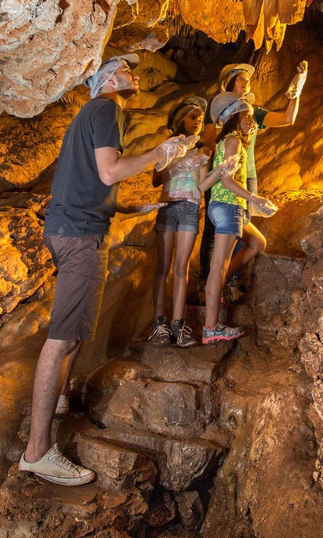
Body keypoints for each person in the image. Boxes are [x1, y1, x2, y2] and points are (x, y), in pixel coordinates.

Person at [19, 54, 196, 486]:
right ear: (109, 80)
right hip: (79, 235)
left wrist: (131, 207)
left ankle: (60, 400)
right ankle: (36, 453)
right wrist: (161, 151)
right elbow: (108, 171)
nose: (133, 74)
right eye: (125, 69)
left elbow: (87, 182)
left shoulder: (91, 115)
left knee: (77, 332)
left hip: (73, 227)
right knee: (62, 339)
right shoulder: (106, 109)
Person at [197, 61, 308, 300]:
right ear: (228, 83)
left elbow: (288, 118)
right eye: (240, 77)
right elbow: (207, 140)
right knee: (214, 229)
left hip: (247, 176)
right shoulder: (218, 110)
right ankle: (206, 281)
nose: (246, 80)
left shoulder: (252, 112)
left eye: (247, 78)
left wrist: (297, 90)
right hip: (223, 174)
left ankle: (226, 282)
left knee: (240, 227)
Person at [148, 96, 239, 348]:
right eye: (193, 117)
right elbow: (156, 180)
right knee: (162, 266)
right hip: (168, 205)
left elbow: (201, 185)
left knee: (181, 267)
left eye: (200, 118)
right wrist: (177, 163)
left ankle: (178, 324)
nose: (198, 122)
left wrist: (219, 171)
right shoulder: (169, 145)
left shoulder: (203, 149)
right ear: (180, 119)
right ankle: (158, 324)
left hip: (189, 208)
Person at [202, 93, 278, 344]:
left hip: (225, 206)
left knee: (257, 242)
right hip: (228, 205)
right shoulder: (233, 140)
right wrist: (254, 199)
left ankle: (216, 287)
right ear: (233, 116)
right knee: (218, 265)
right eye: (247, 115)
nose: (251, 120)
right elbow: (227, 180)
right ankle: (211, 327)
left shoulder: (228, 141)